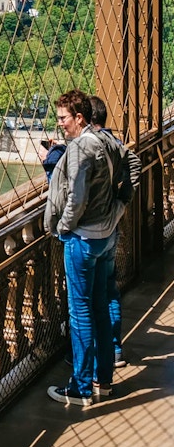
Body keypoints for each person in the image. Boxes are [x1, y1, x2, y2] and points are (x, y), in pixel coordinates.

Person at [44, 89, 140, 406]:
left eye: (63, 118)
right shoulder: (107, 142)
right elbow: (126, 176)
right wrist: (116, 214)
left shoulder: (80, 150)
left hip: (83, 238)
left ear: (79, 117)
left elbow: (76, 198)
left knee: (80, 313)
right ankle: (104, 380)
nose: (60, 125)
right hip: (106, 234)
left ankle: (81, 387)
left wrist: (63, 226)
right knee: (99, 309)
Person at [89, 95, 141, 368]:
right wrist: (121, 204)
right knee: (109, 290)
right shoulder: (114, 143)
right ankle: (114, 348)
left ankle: (95, 358)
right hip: (112, 227)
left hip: (94, 230)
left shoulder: (92, 145)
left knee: (91, 296)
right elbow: (135, 166)